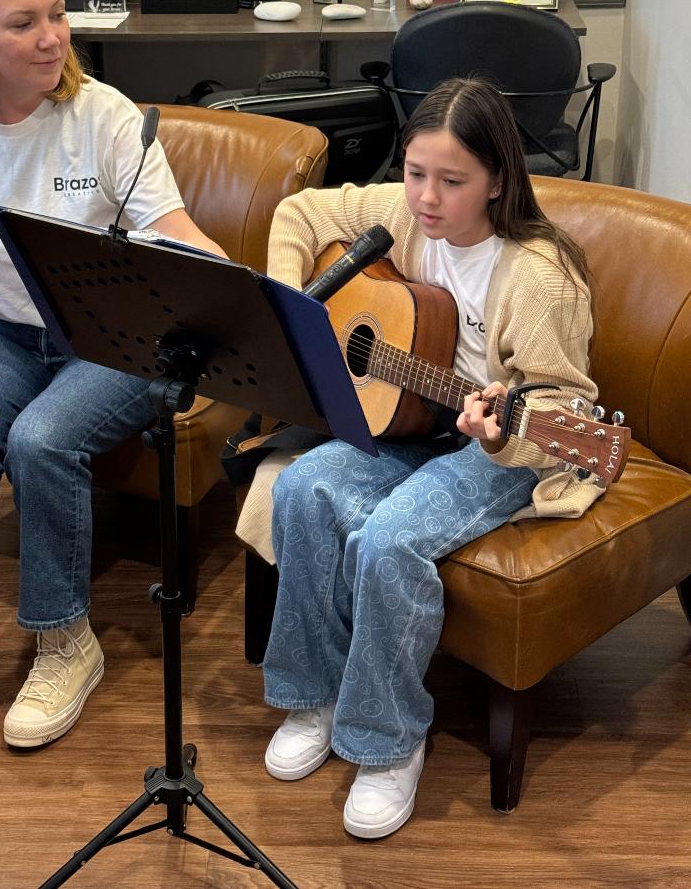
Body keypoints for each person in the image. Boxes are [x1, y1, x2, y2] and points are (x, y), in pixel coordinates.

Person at [0, 0, 226, 747]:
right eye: (23, 23)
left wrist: (235, 286)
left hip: (112, 338)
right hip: (3, 331)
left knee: (42, 440)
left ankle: (65, 639)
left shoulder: (102, 117)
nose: (52, 36)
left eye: (57, 14)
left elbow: (169, 228)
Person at [259, 77, 605, 839]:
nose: (425, 198)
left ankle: (389, 740)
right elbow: (299, 210)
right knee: (301, 489)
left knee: (389, 540)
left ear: (497, 182)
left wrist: (502, 428)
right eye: (416, 173)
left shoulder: (542, 276)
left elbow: (565, 410)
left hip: (496, 448)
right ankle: (312, 693)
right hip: (410, 421)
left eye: (452, 181)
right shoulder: (406, 215)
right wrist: (292, 315)